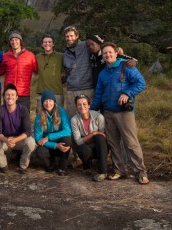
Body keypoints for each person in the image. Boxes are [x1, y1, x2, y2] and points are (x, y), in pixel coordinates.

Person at [91, 42, 149, 184]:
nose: (108, 55)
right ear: (103, 56)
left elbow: (141, 83)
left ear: (116, 53)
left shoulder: (126, 67)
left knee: (130, 142)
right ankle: (119, 170)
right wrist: (91, 110)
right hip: (108, 112)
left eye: (110, 52)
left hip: (124, 112)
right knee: (113, 143)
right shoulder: (103, 73)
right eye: (105, 53)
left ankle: (140, 172)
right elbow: (98, 94)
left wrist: (127, 93)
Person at [0, 83, 36, 174]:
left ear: (17, 97)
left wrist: (15, 140)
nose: (10, 97)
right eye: (7, 94)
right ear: (4, 97)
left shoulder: (23, 110)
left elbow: (27, 131)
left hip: (19, 138)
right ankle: (3, 166)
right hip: (5, 139)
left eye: (12, 95)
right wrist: (7, 140)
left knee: (31, 142)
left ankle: (23, 165)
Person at [34, 90, 72, 176]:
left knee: (67, 140)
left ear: (54, 102)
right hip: (49, 145)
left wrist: (48, 137)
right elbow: (38, 138)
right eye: (45, 101)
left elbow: (68, 131)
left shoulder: (61, 112)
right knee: (40, 152)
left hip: (59, 142)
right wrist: (55, 145)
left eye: (50, 101)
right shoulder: (39, 116)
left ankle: (62, 167)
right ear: (42, 103)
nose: (48, 103)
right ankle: (50, 163)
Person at [70, 94, 108, 182]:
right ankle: (87, 166)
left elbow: (102, 136)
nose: (82, 106)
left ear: (89, 105)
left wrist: (95, 135)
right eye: (79, 104)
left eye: (84, 104)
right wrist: (93, 134)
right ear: (76, 106)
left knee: (99, 137)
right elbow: (78, 142)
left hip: (100, 146)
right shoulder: (74, 120)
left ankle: (103, 171)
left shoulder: (99, 117)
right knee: (82, 148)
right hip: (86, 147)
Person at [0, 31, 37, 109]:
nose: (14, 42)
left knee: (23, 119)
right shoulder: (5, 56)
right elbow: (0, 71)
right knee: (7, 119)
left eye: (16, 39)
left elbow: (38, 70)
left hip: (24, 93)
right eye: (12, 40)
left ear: (20, 41)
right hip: (9, 93)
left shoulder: (30, 56)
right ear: (10, 42)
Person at [63, 26, 93, 118]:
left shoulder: (86, 46)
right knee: (72, 117)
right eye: (67, 36)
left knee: (89, 116)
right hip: (71, 89)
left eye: (71, 36)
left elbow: (101, 47)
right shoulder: (65, 53)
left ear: (77, 36)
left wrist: (118, 50)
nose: (69, 38)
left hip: (87, 87)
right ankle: (74, 133)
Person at [36, 34, 64, 107]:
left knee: (58, 116)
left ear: (53, 44)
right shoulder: (37, 57)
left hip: (56, 92)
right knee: (41, 116)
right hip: (42, 92)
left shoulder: (61, 56)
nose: (47, 44)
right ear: (42, 44)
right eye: (45, 42)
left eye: (50, 42)